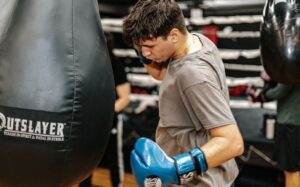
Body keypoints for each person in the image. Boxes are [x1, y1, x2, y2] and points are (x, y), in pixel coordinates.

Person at [122, 0, 244, 186]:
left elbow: (232, 142)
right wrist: (143, 47)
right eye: (142, 48)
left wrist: (177, 168)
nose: (145, 54)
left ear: (173, 35)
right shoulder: (196, 41)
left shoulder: (193, 74)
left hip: (200, 181)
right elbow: (161, 74)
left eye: (151, 46)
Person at [79, 32, 131, 187]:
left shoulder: (115, 65)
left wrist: (106, 112)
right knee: (87, 158)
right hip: (90, 122)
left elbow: (125, 98)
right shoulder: (87, 66)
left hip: (111, 121)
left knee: (114, 158)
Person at [247, 80, 300, 187]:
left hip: (290, 124)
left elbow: (278, 92)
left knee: (290, 170)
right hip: (294, 122)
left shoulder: (293, 71)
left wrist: (260, 94)